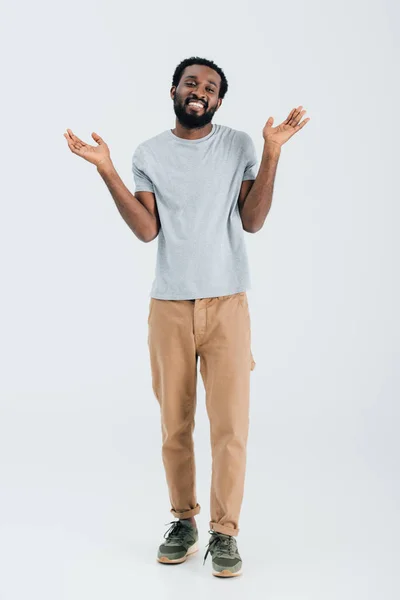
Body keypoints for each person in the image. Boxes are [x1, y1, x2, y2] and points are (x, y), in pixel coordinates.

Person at [64, 56, 310, 578]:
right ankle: (184, 521)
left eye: (211, 87)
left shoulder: (240, 144)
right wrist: (107, 169)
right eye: (192, 83)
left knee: (230, 426)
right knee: (175, 426)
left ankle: (225, 532)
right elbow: (147, 231)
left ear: (219, 101)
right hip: (170, 307)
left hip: (227, 306)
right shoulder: (149, 153)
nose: (200, 91)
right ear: (174, 90)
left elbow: (253, 221)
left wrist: (271, 153)